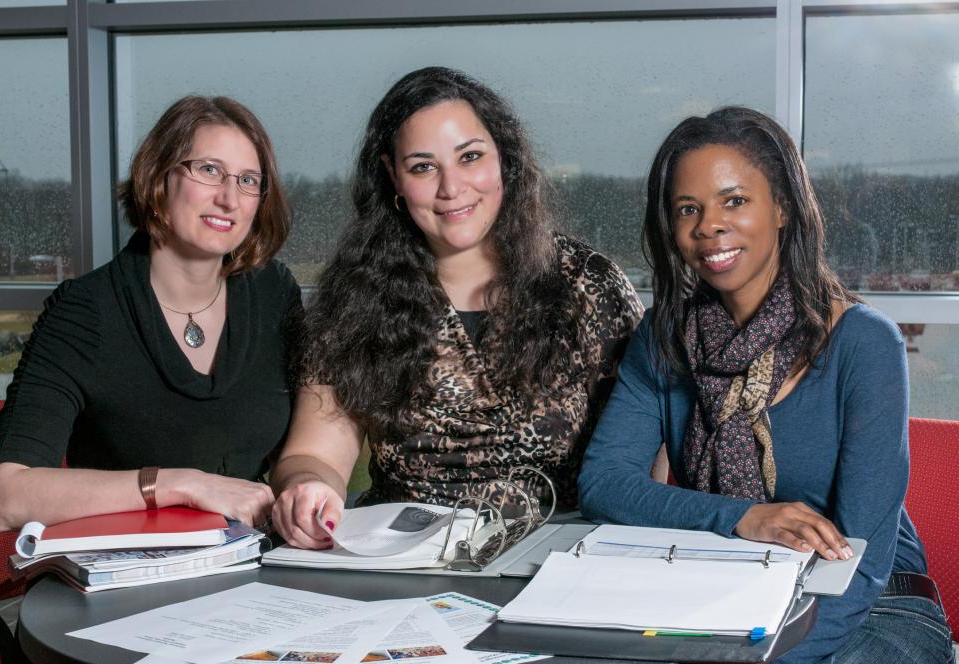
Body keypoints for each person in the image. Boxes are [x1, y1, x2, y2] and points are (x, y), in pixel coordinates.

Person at [579, 107, 954, 663]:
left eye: (734, 201)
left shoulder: (864, 343)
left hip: (869, 605)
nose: (709, 225)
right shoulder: (663, 338)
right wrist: (742, 517)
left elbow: (861, 561)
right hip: (722, 588)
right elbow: (603, 483)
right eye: (688, 209)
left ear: (782, 207)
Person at [270, 67, 644, 549]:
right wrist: (309, 487)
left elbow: (642, 451)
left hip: (563, 553)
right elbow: (316, 454)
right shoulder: (354, 301)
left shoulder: (589, 285)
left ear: (503, 157)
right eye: (423, 167)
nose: (451, 187)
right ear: (393, 177)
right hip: (405, 559)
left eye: (470, 157)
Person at [0, 96, 302, 531]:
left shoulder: (274, 293)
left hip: (254, 557)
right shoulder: (86, 311)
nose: (229, 198)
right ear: (157, 179)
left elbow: (299, 450)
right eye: (209, 170)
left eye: (248, 180)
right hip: (128, 563)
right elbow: (6, 498)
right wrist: (182, 485)